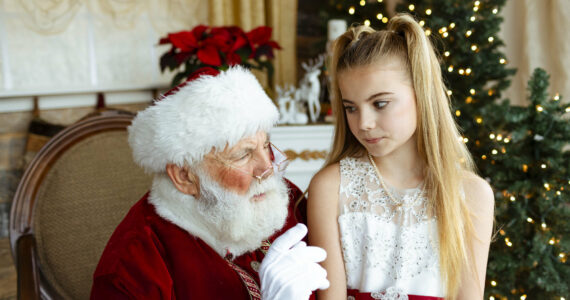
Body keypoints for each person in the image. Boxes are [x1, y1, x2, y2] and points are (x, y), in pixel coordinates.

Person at [91, 66, 329, 299]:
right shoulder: (134, 266)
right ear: (185, 177)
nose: (267, 168)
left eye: (265, 145)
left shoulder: (285, 200)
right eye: (243, 154)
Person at [307, 13, 494, 300]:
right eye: (351, 107)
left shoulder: (471, 194)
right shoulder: (331, 187)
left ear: (422, 94)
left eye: (380, 103)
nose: (364, 123)